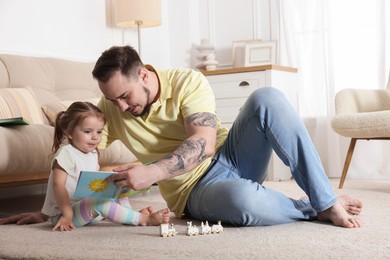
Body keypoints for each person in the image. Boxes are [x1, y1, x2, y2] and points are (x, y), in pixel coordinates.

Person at [0, 46, 362, 228]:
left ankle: (325, 199)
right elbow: (76, 157)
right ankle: (315, 206)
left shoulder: (187, 81)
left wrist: (151, 172)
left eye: (124, 96)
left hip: (232, 156)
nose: (120, 108)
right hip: (195, 191)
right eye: (112, 100)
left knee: (267, 97)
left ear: (143, 75)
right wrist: (49, 211)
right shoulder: (109, 108)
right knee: (241, 200)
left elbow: (204, 143)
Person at [10, 101, 170, 231]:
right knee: (98, 204)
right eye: (87, 132)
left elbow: (92, 186)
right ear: (69, 132)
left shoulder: (93, 154)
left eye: (99, 132)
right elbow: (58, 185)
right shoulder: (66, 153)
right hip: (66, 214)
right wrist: (66, 214)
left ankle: (130, 215)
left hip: (85, 208)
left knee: (119, 191)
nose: (95, 137)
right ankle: (143, 220)